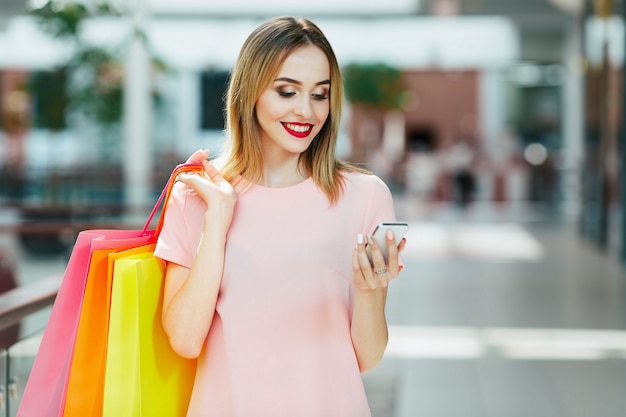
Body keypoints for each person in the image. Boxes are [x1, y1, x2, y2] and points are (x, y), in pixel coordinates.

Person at [155, 16, 406, 417]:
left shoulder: (365, 196)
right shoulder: (197, 194)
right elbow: (185, 339)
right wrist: (217, 221)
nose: (306, 111)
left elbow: (367, 356)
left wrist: (370, 291)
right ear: (250, 92)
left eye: (319, 94)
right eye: (287, 91)